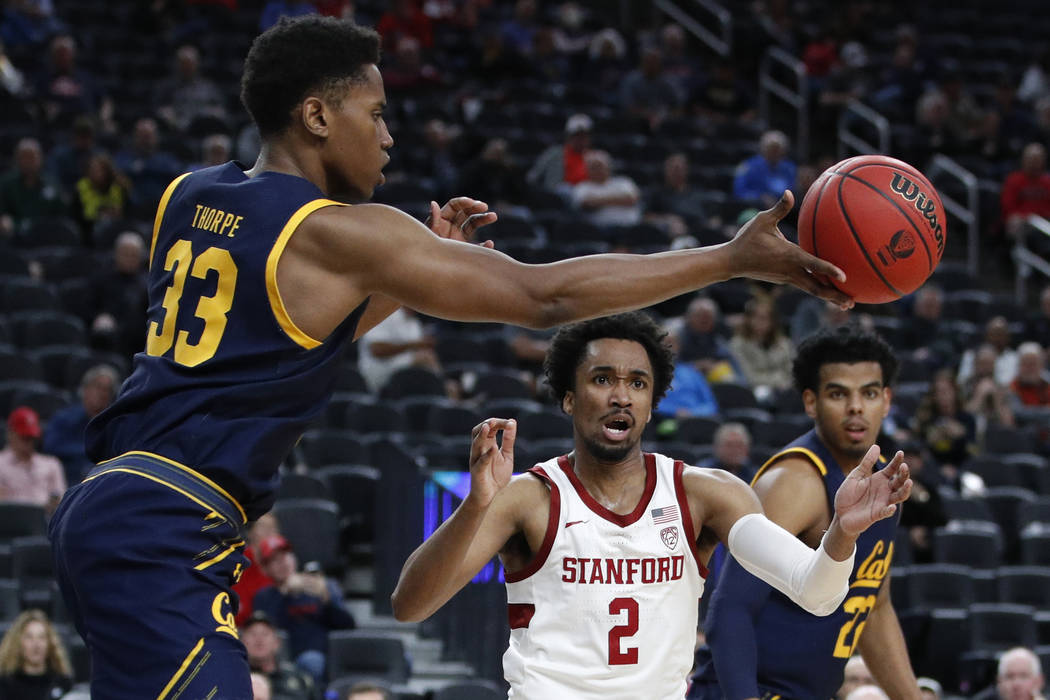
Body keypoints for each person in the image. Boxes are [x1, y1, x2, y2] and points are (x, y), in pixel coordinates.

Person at [48, 16, 852, 699]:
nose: (389, 135)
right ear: (317, 117)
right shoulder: (341, 230)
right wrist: (729, 259)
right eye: (376, 113)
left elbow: (293, 335)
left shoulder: (189, 195)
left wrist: (419, 265)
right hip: (165, 527)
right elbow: (546, 298)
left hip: (113, 504)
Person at [391, 312, 911, 699]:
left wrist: (842, 532)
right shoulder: (528, 497)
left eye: (637, 383)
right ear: (569, 397)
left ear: (653, 399)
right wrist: (477, 505)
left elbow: (817, 595)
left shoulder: (707, 494)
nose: (622, 396)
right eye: (602, 380)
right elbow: (410, 606)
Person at [690, 325, 922, 700]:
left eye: (869, 392)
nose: (856, 407)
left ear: (888, 400)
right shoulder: (796, 480)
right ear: (811, 402)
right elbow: (730, 608)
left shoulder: (880, 488)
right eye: (838, 393)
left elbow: (873, 610)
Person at [252, 535, 356, 682]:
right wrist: (284, 593)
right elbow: (264, 629)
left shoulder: (323, 586)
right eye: (274, 560)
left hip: (320, 656)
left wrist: (326, 600)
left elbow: (348, 626)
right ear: (265, 569)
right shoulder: (264, 596)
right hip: (279, 658)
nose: (282, 562)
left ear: (294, 558)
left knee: (312, 661)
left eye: (286, 555)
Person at [43, 364, 121, 485]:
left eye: (107, 390)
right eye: (98, 387)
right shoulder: (64, 418)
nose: (102, 394)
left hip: (102, 483)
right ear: (85, 389)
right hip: (67, 481)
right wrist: (90, 452)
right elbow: (50, 447)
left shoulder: (115, 423)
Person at [241, 610, 319, 700]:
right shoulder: (233, 679)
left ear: (277, 642)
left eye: (265, 634)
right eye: (253, 634)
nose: (259, 640)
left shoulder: (298, 679)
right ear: (242, 642)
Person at [0, 407, 66, 512]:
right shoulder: (1, 463)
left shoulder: (51, 464)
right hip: (8, 522)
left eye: (31, 437)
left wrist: (55, 503)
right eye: (24, 437)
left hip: (43, 521)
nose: (28, 442)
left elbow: (60, 501)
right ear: (10, 434)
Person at [0, 610, 74, 700]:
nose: (36, 644)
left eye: (41, 637)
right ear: (18, 643)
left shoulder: (63, 683)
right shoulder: (5, 685)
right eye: (29, 637)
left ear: (50, 644)